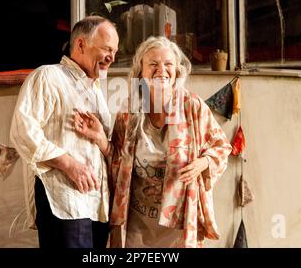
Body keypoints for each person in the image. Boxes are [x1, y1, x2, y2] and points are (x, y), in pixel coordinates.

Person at [74, 36, 232, 248]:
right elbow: (118, 162)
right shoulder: (131, 110)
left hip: (178, 223)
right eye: (153, 64)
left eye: (168, 64)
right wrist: (101, 138)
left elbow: (222, 147)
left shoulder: (191, 106)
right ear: (141, 71)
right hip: (137, 223)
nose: (162, 70)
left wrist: (203, 163)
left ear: (177, 71)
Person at [10, 16, 119, 248]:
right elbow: (22, 131)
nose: (112, 58)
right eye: (107, 49)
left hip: (96, 205)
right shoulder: (48, 76)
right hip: (65, 201)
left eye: (115, 51)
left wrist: (100, 138)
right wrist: (69, 164)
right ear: (80, 44)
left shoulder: (97, 90)